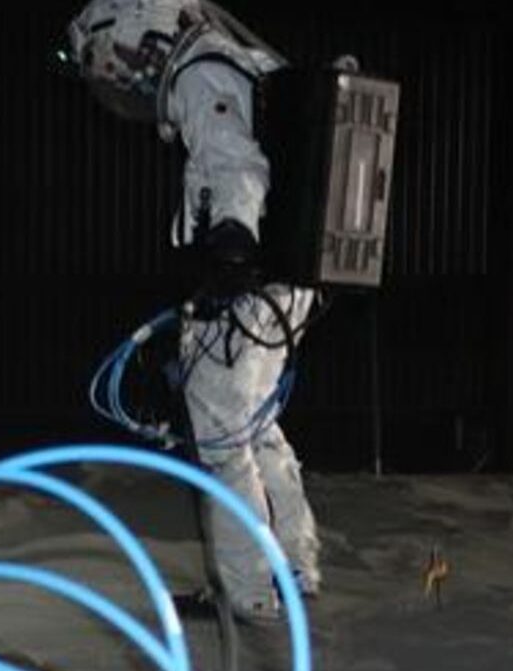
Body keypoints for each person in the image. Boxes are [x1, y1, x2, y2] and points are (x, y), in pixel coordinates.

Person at [63, 0, 324, 615]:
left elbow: (234, 162)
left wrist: (231, 248)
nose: (117, 74)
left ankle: (248, 593)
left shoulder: (201, 71)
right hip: (284, 281)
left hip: (248, 287)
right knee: (255, 423)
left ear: (137, 32)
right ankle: (294, 567)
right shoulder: (240, 63)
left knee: (222, 438)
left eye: (110, 57)